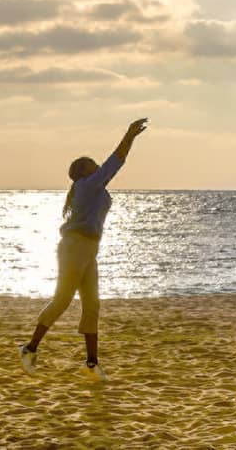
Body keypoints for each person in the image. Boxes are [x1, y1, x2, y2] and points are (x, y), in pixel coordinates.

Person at [19, 117, 148, 382]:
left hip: (88, 249)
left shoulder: (94, 188)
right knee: (63, 300)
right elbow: (116, 162)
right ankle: (29, 349)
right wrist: (129, 135)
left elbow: (110, 168)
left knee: (92, 305)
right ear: (83, 171)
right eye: (91, 162)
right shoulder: (87, 185)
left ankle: (91, 364)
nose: (96, 163)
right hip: (75, 247)